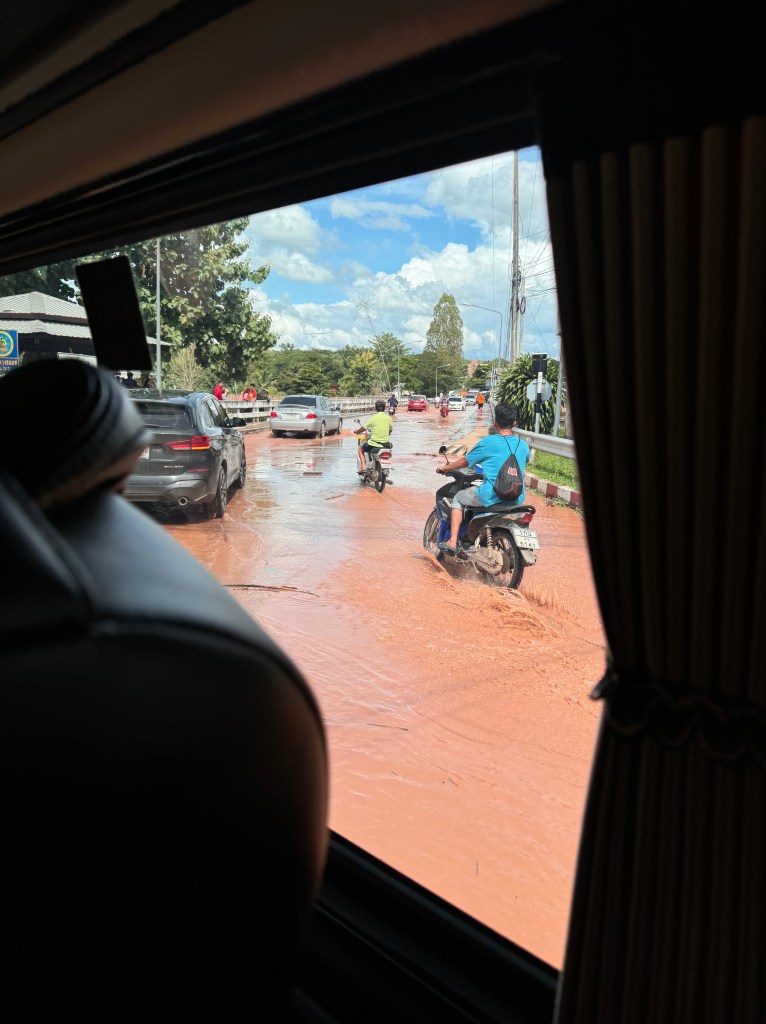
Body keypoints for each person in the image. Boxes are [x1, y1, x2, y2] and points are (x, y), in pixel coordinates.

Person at [435, 402, 529, 553]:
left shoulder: (488, 442)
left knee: (458, 498)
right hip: (517, 498)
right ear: (514, 423)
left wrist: (446, 467)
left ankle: (452, 541)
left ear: (495, 423)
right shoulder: (523, 445)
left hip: (491, 495)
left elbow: (466, 461)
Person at [356, 399, 392, 475]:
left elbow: (363, 428)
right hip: (386, 444)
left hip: (374, 444)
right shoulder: (388, 418)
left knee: (360, 449)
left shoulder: (373, 418)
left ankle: (363, 467)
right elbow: (390, 430)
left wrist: (357, 432)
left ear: (375, 408)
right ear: (384, 408)